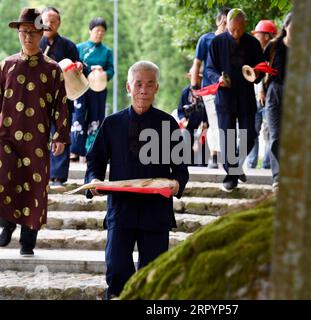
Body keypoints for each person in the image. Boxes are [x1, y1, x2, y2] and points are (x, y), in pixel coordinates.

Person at [85, 61, 189, 299]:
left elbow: (181, 168)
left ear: (157, 88)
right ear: (128, 87)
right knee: (116, 268)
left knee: (152, 274)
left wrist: (176, 184)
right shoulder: (112, 123)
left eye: (149, 84)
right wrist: (95, 180)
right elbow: (95, 161)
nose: (144, 89)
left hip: (156, 212)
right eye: (139, 84)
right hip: (121, 209)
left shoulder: (168, 124)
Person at [0, 8, 70, 256]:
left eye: (32, 32)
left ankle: (27, 242)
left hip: (37, 140)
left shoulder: (52, 70)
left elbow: (61, 105)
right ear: (18, 33)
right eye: (23, 32)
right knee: (1, 182)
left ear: (41, 33)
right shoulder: (6, 65)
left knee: (34, 188)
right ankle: (6, 225)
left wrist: (61, 135)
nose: (27, 37)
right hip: (6, 137)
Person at [207, 8, 264, 191]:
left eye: (239, 30)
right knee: (228, 138)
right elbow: (209, 69)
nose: (235, 34)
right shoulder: (217, 42)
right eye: (232, 30)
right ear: (227, 25)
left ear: (244, 25)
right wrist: (218, 79)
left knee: (250, 135)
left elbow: (261, 68)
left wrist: (256, 74)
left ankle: (236, 166)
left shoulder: (253, 44)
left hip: (246, 95)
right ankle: (231, 176)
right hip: (225, 97)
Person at [40, 6, 79, 190]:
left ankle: (59, 177)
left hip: (63, 97)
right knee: (39, 134)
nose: (49, 24)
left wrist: (79, 67)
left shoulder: (68, 46)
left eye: (53, 21)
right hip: (39, 98)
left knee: (61, 133)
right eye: (46, 21)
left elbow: (80, 68)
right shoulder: (34, 43)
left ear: (59, 23)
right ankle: (41, 173)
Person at [190, 7, 230, 169]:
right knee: (214, 121)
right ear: (218, 21)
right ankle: (214, 155)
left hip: (229, 88)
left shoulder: (232, 41)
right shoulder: (205, 39)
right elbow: (197, 63)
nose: (227, 24)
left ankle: (225, 155)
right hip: (210, 88)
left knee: (226, 121)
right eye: (225, 21)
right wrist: (194, 86)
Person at [70, 17, 114, 162]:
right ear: (90, 31)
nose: (100, 33)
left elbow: (111, 70)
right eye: (97, 30)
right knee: (78, 115)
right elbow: (73, 66)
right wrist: (86, 69)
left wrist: (102, 72)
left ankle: (91, 150)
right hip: (81, 87)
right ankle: (75, 150)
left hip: (98, 88)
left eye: (102, 31)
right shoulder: (79, 48)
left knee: (96, 118)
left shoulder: (107, 51)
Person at [264, 12, 292, 193]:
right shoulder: (274, 46)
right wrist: (260, 89)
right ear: (286, 27)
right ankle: (278, 177)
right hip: (274, 92)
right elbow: (262, 68)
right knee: (275, 135)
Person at [246, 20, 277, 169]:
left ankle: (267, 165)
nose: (256, 36)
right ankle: (250, 164)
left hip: (271, 99)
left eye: (258, 34)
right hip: (254, 99)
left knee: (270, 132)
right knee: (253, 131)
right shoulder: (254, 51)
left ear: (266, 36)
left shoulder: (275, 53)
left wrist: (263, 91)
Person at [177, 69, 208, 166]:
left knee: (204, 140)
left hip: (204, 126)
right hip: (189, 126)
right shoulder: (185, 92)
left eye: (198, 77)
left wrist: (206, 123)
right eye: (193, 76)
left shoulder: (206, 91)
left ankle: (202, 164)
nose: (195, 79)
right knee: (184, 136)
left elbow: (209, 110)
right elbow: (180, 111)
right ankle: (187, 164)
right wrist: (184, 121)